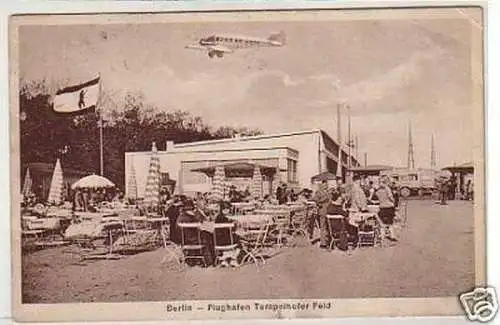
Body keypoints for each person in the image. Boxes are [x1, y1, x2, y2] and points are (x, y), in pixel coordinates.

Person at [376, 176, 397, 241]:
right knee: (390, 223)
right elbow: (390, 197)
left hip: (382, 207)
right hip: (389, 207)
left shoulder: (378, 190)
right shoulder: (387, 189)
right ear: (386, 182)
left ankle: (382, 237)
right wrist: (394, 201)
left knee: (382, 223)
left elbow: (378, 198)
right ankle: (392, 236)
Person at [313, 180, 330, 249]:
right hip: (322, 211)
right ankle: (323, 243)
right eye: (324, 185)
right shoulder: (319, 192)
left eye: (326, 185)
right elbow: (315, 200)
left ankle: (328, 240)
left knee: (329, 227)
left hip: (329, 211)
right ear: (322, 185)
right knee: (323, 227)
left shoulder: (328, 192)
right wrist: (323, 200)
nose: (326, 186)